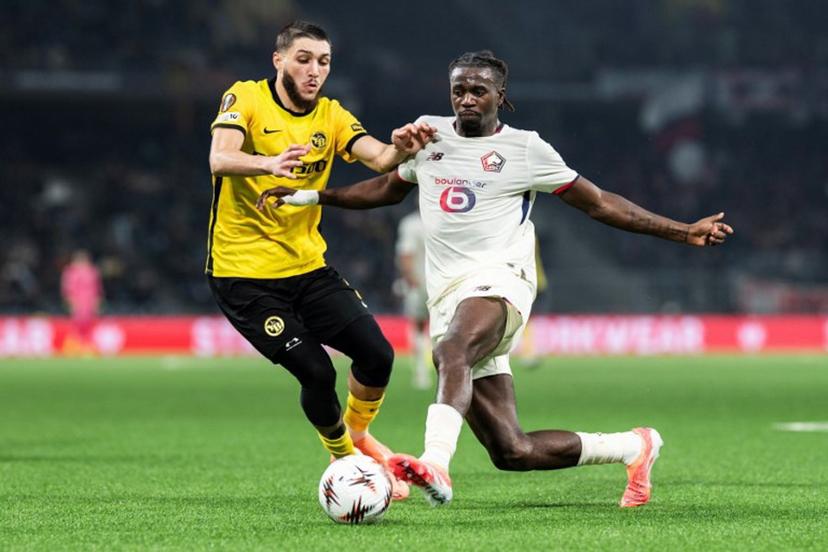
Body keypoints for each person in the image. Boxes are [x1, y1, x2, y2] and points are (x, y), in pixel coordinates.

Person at [256, 50, 734, 508]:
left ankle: (435, 464)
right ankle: (634, 446)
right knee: (512, 450)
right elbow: (385, 188)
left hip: (501, 282)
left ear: (500, 95)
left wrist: (683, 231)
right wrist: (312, 197)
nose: (466, 99)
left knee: (451, 352)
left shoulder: (526, 149)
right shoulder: (429, 136)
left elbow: (600, 202)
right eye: (458, 90)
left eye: (478, 91)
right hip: (447, 297)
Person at [206, 20, 435, 500]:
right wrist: (267, 163)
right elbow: (220, 158)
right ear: (279, 60)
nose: (315, 71)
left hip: (308, 269)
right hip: (244, 275)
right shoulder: (246, 97)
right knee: (316, 371)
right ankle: (346, 460)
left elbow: (378, 158)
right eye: (304, 59)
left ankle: (358, 435)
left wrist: (402, 147)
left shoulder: (331, 115)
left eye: (324, 62)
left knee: (378, 355)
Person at [394, 209, 431, 389]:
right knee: (447, 327)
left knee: (418, 326)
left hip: (419, 283)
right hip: (444, 282)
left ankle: (421, 372)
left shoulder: (410, 224)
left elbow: (406, 254)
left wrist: (409, 278)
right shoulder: (446, 218)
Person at [61, 249, 103, 355]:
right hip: (78, 302)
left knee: (89, 324)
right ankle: (74, 348)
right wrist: (71, 302)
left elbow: (97, 288)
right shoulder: (71, 272)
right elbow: (68, 289)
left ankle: (87, 348)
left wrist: (96, 302)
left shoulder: (92, 271)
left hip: (89, 302)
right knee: (77, 325)